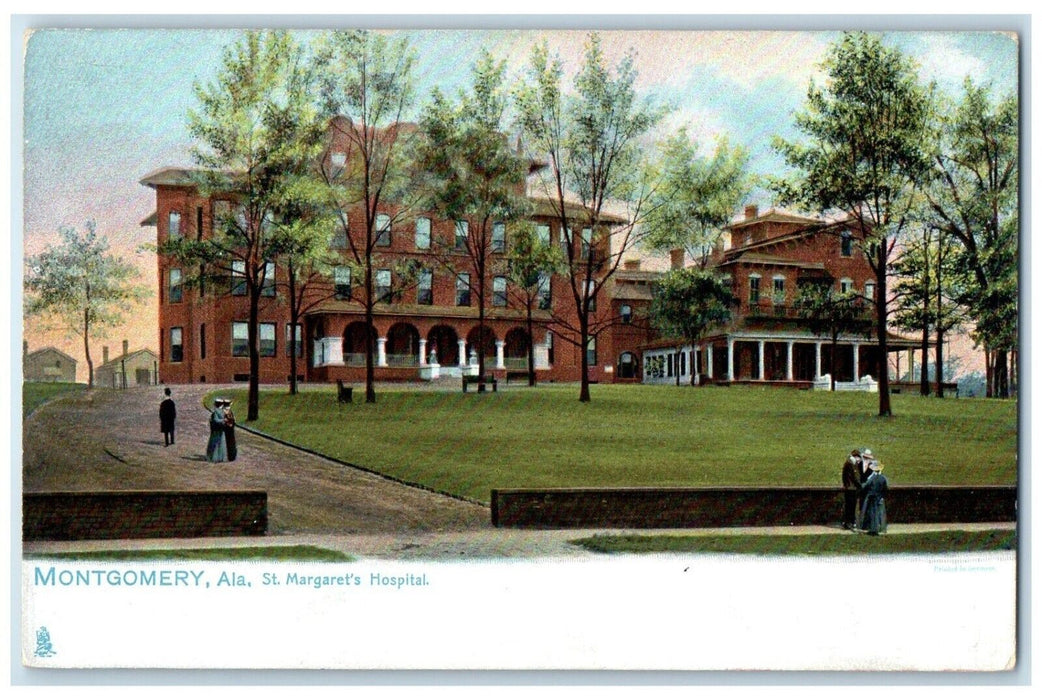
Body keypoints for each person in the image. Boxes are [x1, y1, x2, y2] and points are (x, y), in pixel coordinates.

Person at [859, 460, 888, 535]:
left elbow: (865, 486)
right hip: (880, 497)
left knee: (873, 514)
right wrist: (882, 497)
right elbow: (885, 489)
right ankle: (882, 528)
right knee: (881, 513)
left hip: (872, 497)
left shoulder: (872, 478)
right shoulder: (883, 478)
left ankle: (873, 530)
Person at [841, 448, 863, 530]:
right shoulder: (852, 464)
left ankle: (847, 522)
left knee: (848, 506)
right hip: (852, 489)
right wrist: (861, 485)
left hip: (849, 488)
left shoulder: (848, 463)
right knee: (851, 507)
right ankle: (849, 523)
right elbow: (855, 477)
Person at [206, 399, 228, 463]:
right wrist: (224, 420)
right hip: (219, 430)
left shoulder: (217, 412)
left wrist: (223, 421)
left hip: (217, 430)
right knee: (220, 443)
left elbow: (215, 420)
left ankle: (215, 457)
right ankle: (219, 457)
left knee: (215, 443)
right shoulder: (221, 411)